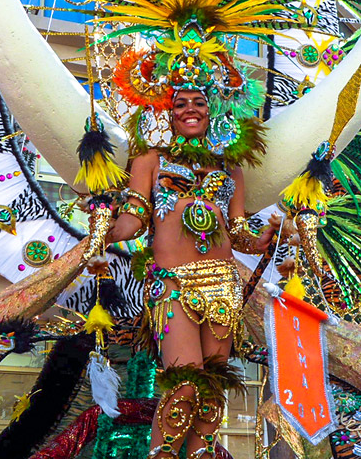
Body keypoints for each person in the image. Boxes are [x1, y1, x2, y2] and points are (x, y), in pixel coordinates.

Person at [105, 88, 275, 459]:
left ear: (212, 111)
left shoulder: (230, 167)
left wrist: (262, 239)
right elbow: (135, 217)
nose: (190, 110)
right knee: (185, 384)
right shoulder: (150, 159)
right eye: (180, 104)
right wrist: (109, 228)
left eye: (199, 102)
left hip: (222, 284)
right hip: (173, 282)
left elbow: (237, 229)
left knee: (212, 390)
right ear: (168, 113)